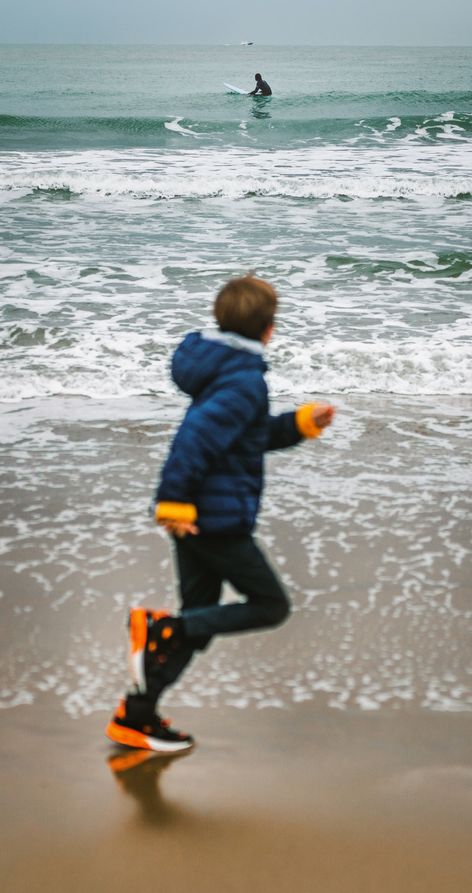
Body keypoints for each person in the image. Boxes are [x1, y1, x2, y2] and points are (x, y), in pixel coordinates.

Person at [106, 275, 335, 752]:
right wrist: (173, 503)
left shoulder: (227, 371)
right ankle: (162, 629)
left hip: (196, 516)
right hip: (212, 520)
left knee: (202, 616)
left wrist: (299, 423)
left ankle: (137, 716)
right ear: (270, 328)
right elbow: (194, 440)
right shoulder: (244, 379)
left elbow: (247, 437)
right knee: (270, 606)